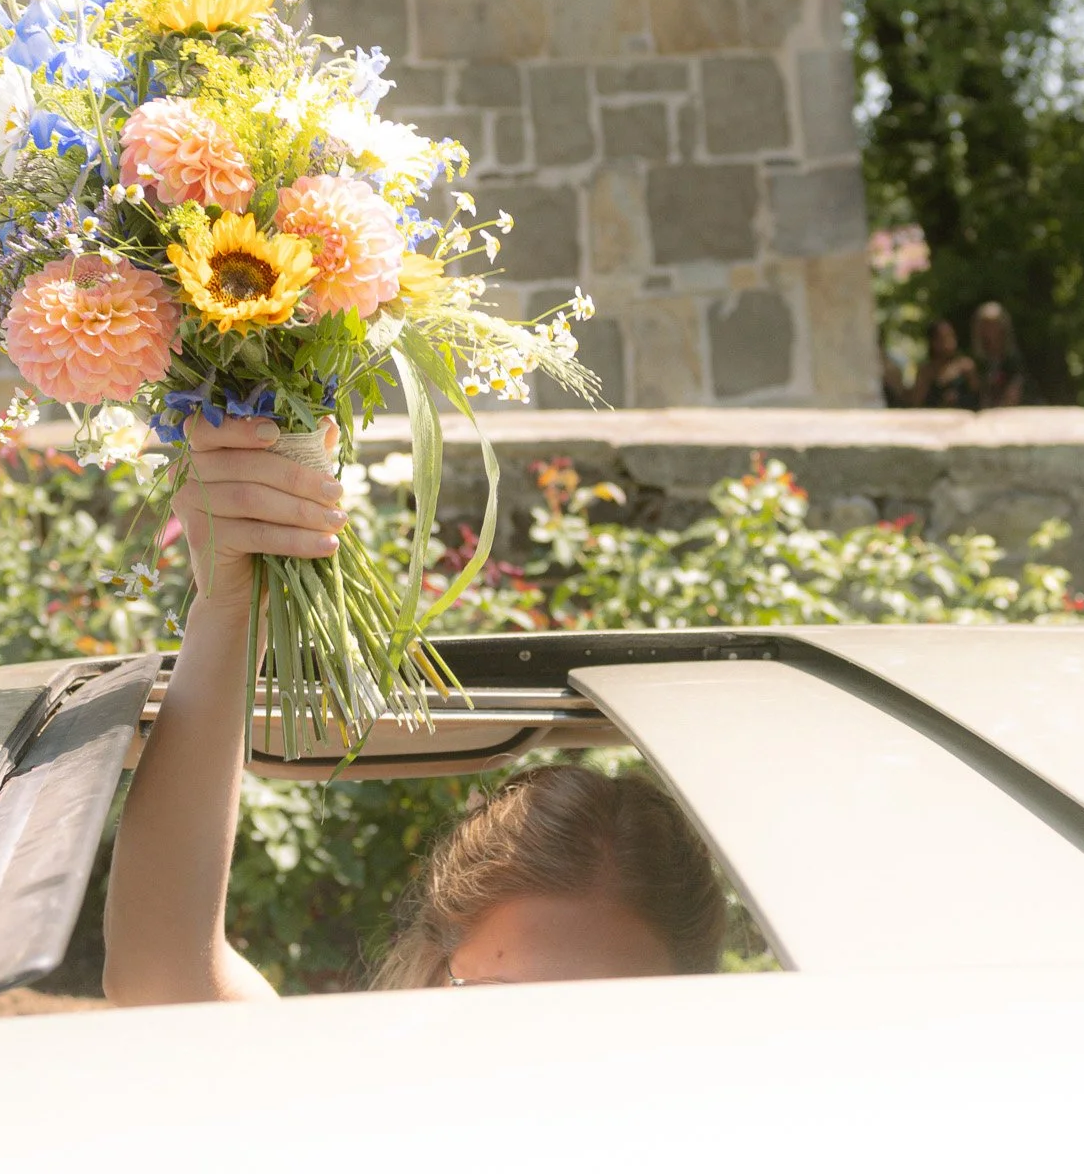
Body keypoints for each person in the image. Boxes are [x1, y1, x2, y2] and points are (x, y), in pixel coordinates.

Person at [103, 415, 728, 1005]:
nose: (553, 1053)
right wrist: (232, 603)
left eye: (619, 1015)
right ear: (433, 973)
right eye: (501, 1004)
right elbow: (162, 973)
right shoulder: (356, 1081)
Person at [910, 318, 980, 410]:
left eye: (951, 336)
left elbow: (977, 397)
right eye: (943, 338)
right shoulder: (926, 371)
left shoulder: (966, 366)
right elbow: (917, 403)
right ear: (933, 342)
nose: (949, 342)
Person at [969, 302, 1025, 410]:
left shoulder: (1014, 360)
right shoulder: (976, 361)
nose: (989, 329)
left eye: (993, 324)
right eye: (985, 324)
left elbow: (1015, 392)